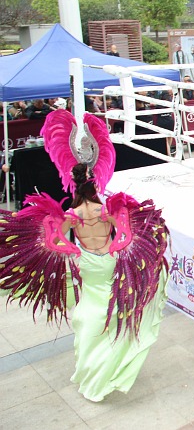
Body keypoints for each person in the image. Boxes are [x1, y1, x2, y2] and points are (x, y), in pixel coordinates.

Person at [0, 110, 170, 402]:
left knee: (89, 315)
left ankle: (92, 369)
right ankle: (112, 361)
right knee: (115, 311)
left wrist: (69, 251)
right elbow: (127, 232)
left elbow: (53, 239)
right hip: (111, 263)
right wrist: (121, 247)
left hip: (87, 265)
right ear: (96, 184)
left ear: (74, 186)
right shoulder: (105, 210)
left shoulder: (72, 214)